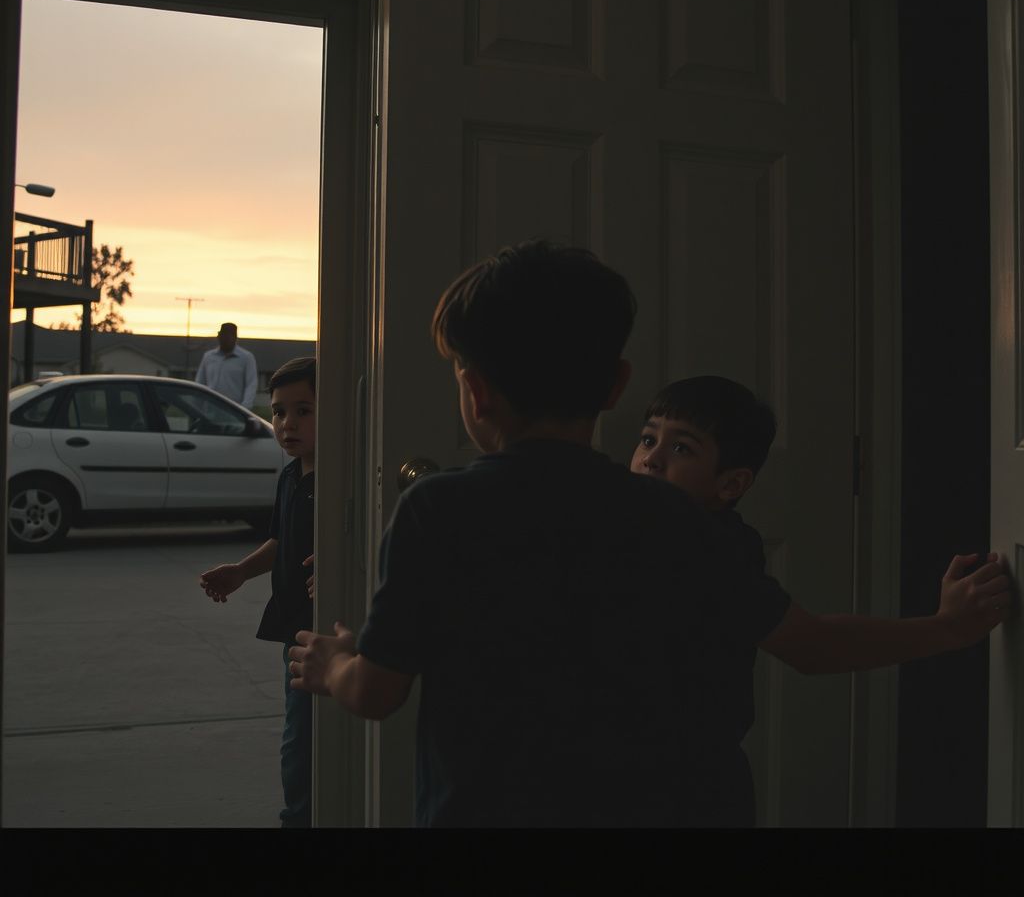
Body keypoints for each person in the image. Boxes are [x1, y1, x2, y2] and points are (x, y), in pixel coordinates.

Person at [288, 240, 805, 827]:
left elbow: (376, 693)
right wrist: (907, 632)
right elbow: (804, 643)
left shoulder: (437, 509)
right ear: (616, 385)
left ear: (476, 392)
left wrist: (335, 664)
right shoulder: (674, 513)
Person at [629, 374, 1010, 821]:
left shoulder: (712, 552)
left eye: (680, 448)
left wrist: (947, 627)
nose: (651, 458)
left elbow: (814, 645)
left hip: (687, 788)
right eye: (648, 439)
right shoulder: (629, 529)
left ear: (730, 484)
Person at [199, 356, 316, 828]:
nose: (288, 424)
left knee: (303, 741)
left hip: (326, 628)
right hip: (295, 627)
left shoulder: (341, 478)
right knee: (299, 735)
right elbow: (280, 540)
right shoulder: (291, 476)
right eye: (279, 412)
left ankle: (299, 819)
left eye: (304, 411)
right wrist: (242, 572)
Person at [195, 322, 259, 409]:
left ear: (236, 338)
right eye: (224, 336)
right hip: (210, 409)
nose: (226, 340)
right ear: (218, 336)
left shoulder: (246, 358)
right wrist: (197, 406)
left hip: (233, 410)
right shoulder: (208, 357)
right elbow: (200, 382)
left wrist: (245, 407)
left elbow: (251, 384)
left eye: (229, 337)